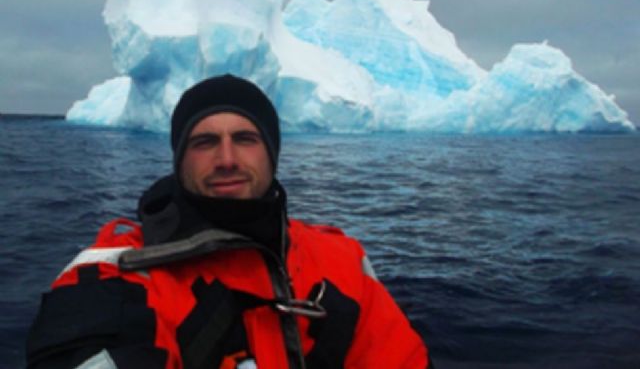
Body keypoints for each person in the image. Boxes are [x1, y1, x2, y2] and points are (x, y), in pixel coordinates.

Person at [27, 74, 431, 369]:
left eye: (245, 139)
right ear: (179, 159)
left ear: (271, 154)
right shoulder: (118, 273)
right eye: (204, 142)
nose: (227, 159)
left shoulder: (341, 261)